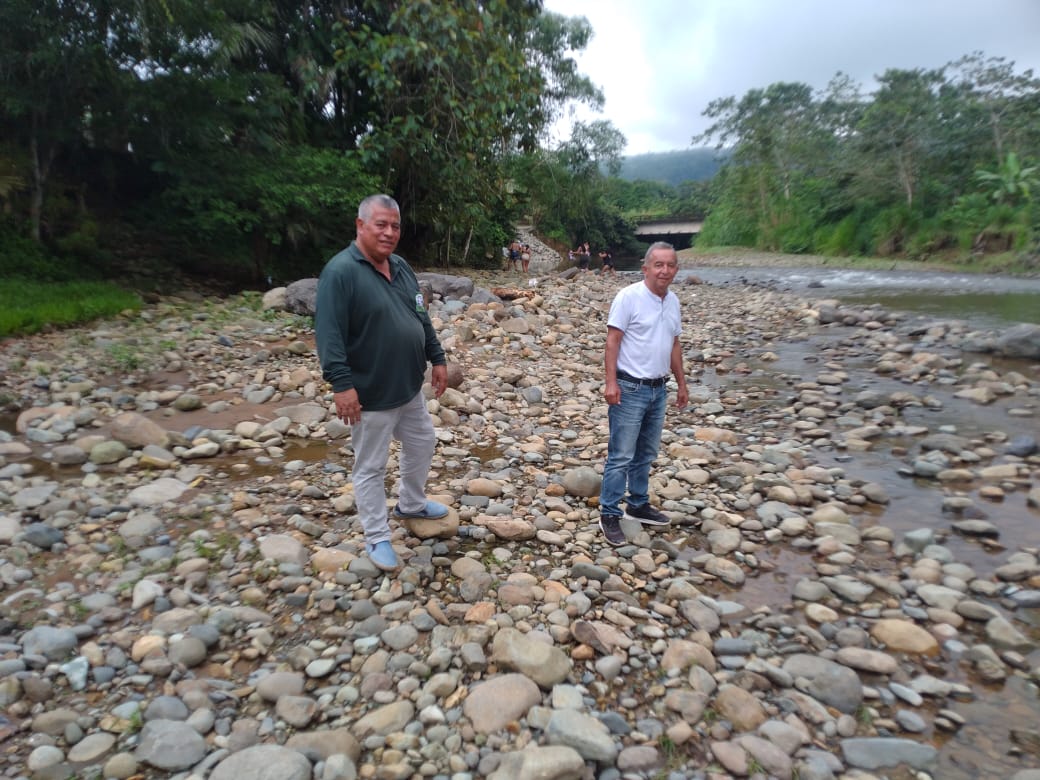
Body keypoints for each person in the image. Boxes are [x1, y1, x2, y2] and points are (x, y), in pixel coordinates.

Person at [314, 194, 451, 572]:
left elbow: (420, 315)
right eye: (381, 225)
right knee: (371, 466)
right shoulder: (340, 273)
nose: (389, 232)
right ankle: (376, 535)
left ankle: (411, 503)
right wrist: (341, 385)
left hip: (408, 386)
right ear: (360, 226)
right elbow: (329, 335)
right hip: (369, 393)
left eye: (395, 226)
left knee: (422, 442)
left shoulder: (401, 267)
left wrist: (437, 357)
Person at [597, 241, 689, 546]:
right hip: (630, 388)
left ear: (676, 269)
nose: (665, 270)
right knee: (621, 454)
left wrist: (681, 383)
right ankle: (610, 513)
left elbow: (674, 344)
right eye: (658, 265)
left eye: (670, 265)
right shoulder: (629, 297)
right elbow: (612, 341)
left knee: (646, 453)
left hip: (658, 389)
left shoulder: (672, 301)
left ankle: (637, 504)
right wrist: (611, 383)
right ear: (645, 268)